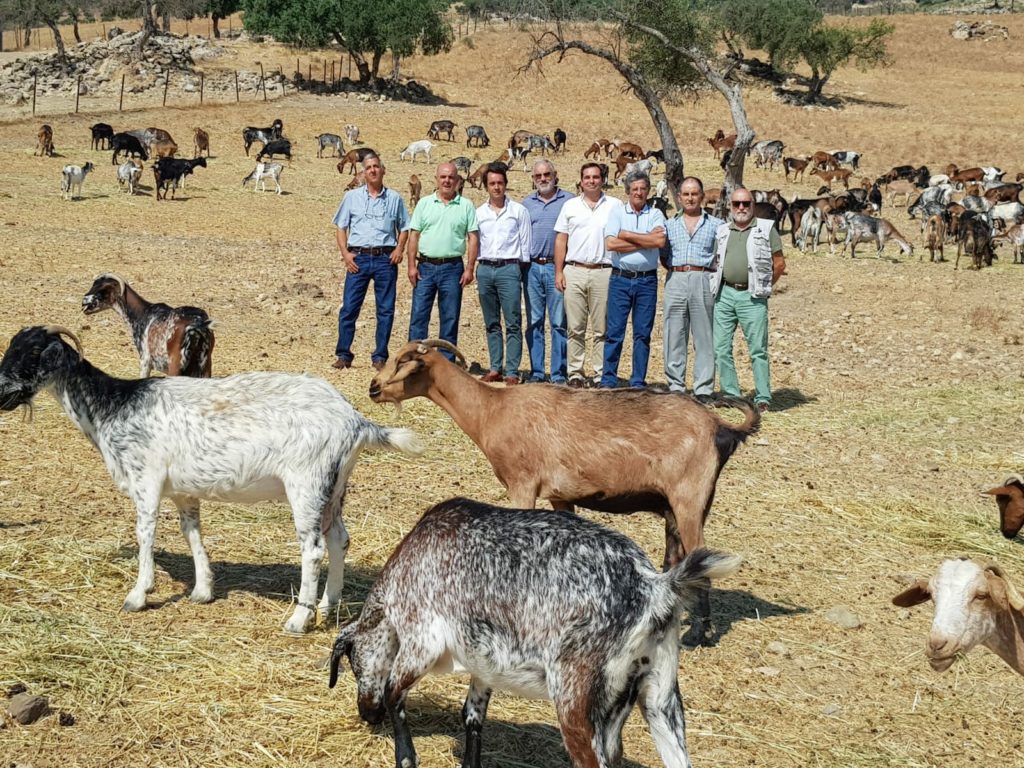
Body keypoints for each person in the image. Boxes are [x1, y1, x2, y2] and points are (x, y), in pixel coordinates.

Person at [331, 153, 409, 371]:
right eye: (369, 167)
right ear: (363, 172)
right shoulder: (352, 197)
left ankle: (380, 357)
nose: (373, 170)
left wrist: (399, 249)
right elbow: (340, 226)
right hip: (359, 258)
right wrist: (346, 255)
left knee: (385, 310)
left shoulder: (394, 198)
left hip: (385, 259)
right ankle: (344, 354)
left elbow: (405, 227)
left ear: (383, 171)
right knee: (349, 308)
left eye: (376, 167)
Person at [711, 187, 786, 411]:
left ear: (753, 205)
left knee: (757, 349)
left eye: (746, 204)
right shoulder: (722, 230)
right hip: (725, 295)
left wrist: (763, 285)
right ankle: (731, 394)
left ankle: (763, 396)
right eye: (737, 204)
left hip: (752, 296)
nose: (741, 208)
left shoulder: (766, 229)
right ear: (730, 207)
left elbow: (779, 263)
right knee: (721, 347)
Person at [407, 162, 479, 357]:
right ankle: (414, 360)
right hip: (425, 267)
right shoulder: (424, 204)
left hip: (453, 268)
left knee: (450, 318)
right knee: (419, 316)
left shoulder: (466, 206)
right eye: (443, 177)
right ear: (436, 179)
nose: (447, 181)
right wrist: (411, 266)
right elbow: (414, 235)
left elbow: (473, 238)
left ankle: (445, 365)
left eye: (451, 177)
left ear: (457, 180)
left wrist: (470, 268)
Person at [601, 172, 666, 388]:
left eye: (643, 189)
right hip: (620, 279)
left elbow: (659, 240)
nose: (639, 192)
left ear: (648, 191)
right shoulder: (617, 212)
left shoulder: (656, 213)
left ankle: (638, 381)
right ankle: (609, 379)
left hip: (647, 281)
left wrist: (626, 234)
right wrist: (645, 240)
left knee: (642, 334)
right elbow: (611, 244)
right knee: (614, 332)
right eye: (635, 189)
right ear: (628, 191)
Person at [661, 176, 723, 401]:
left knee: (704, 334)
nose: (690, 198)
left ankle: (703, 388)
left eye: (694, 193)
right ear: (679, 198)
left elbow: (720, 255)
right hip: (676, 278)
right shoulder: (669, 225)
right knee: (674, 333)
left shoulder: (717, 225)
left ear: (702, 196)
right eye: (685, 194)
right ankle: (676, 386)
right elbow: (664, 255)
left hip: (703, 278)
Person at [554, 163, 615, 388]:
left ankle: (600, 375)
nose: (591, 181)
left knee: (601, 328)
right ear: (581, 180)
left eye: (596, 177)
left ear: (602, 179)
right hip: (575, 270)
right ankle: (575, 374)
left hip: (603, 272)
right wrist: (558, 271)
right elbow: (561, 239)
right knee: (575, 327)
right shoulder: (570, 206)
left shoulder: (615, 206)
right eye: (587, 177)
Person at [475, 164, 532, 385]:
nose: (496, 187)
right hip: (485, 269)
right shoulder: (479, 213)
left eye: (500, 183)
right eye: (492, 183)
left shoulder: (518, 211)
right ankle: (495, 367)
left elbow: (525, 243)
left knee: (513, 321)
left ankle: (512, 371)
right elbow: (475, 241)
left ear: (505, 184)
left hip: (509, 268)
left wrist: (519, 270)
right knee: (491, 321)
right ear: (486, 186)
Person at [522, 159, 571, 383]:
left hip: (557, 267)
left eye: (547, 174)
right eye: (538, 176)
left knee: (559, 322)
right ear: (533, 179)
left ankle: (559, 374)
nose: (543, 179)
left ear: (555, 174)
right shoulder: (526, 204)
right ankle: (537, 372)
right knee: (534, 321)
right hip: (532, 267)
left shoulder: (569, 201)